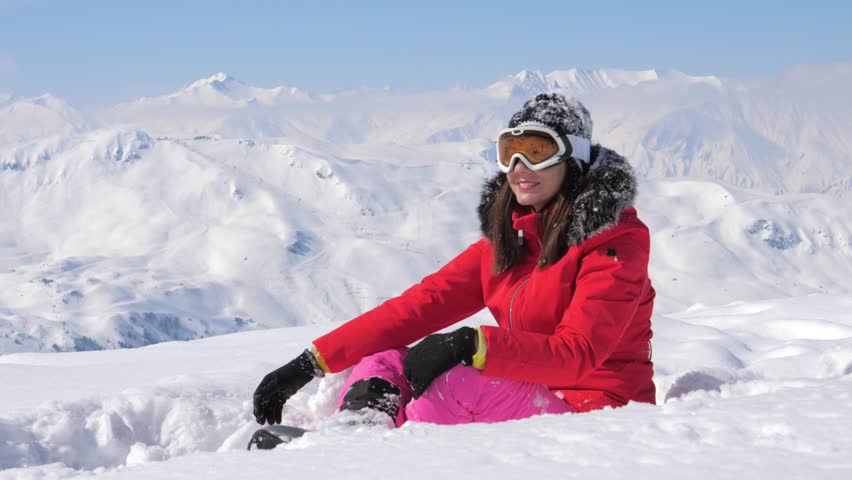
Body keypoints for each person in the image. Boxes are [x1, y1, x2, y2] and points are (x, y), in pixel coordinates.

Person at [253, 93, 656, 428]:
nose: (520, 168)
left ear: (575, 159)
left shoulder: (615, 243)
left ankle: (385, 456)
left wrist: (472, 343)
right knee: (386, 357)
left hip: (597, 415)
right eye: (510, 152)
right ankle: (358, 435)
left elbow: (578, 354)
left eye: (538, 151)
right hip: (530, 392)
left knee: (459, 381)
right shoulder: (512, 242)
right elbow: (418, 306)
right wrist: (312, 362)